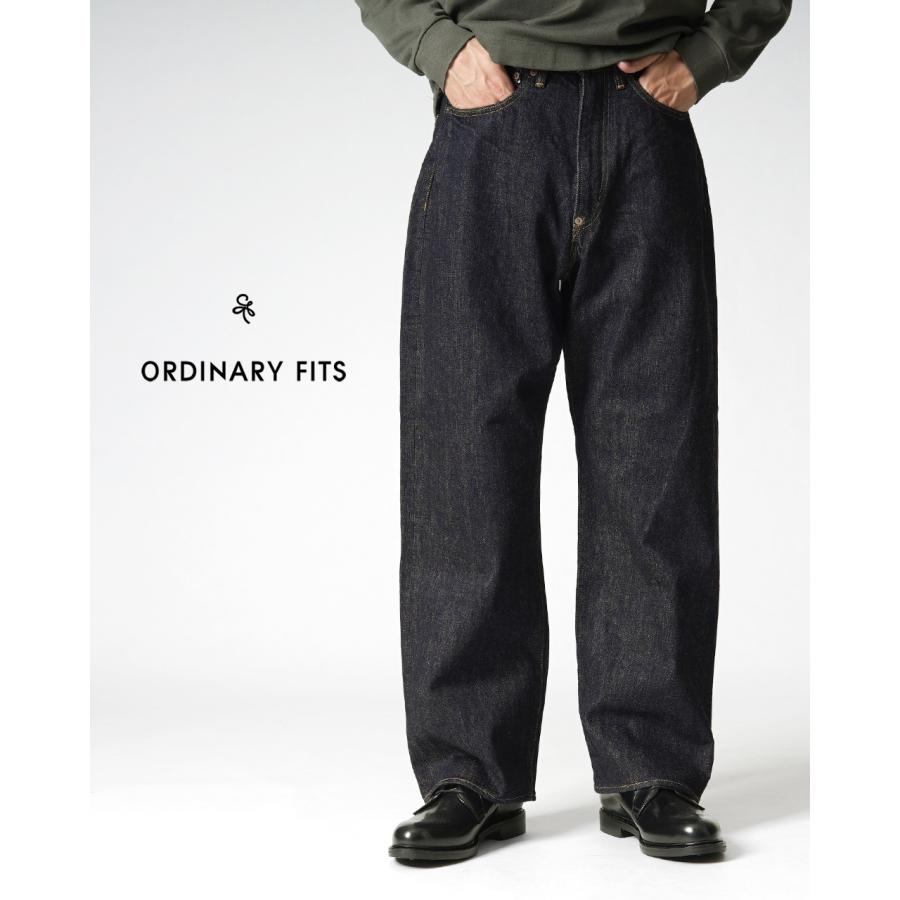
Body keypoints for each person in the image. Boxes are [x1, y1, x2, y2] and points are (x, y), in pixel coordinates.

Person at [355, 0, 791, 862]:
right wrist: (440, 48)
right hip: (494, 120)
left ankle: (650, 768)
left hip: (644, 125)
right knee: (466, 457)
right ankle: (469, 771)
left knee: (655, 460)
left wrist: (710, 53)